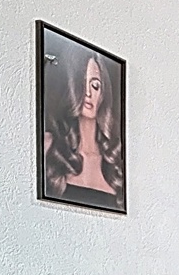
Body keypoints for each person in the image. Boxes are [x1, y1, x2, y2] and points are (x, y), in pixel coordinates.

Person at [43, 49, 124, 211]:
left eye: (95, 85)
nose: (88, 93)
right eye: (82, 84)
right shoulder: (49, 145)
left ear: (103, 94)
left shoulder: (115, 160)